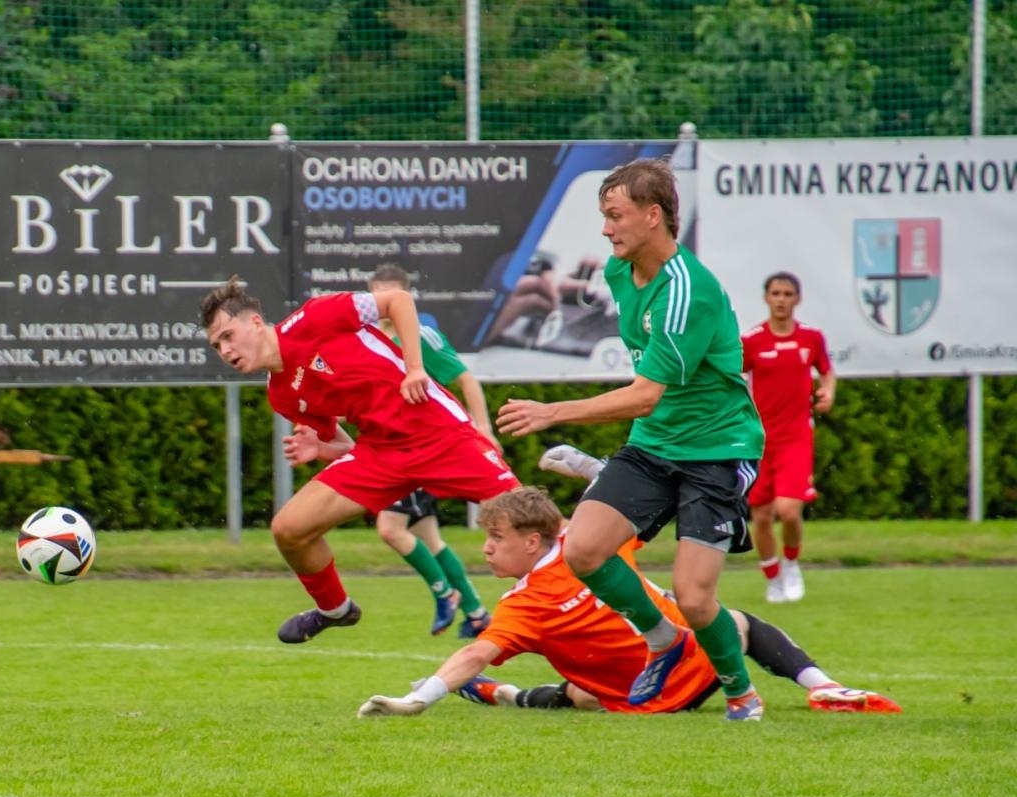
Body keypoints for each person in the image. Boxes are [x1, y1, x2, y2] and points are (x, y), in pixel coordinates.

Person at [494, 157, 768, 721]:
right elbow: (651, 400)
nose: (605, 228)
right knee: (583, 550)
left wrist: (552, 411)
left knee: (694, 596)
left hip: (717, 452)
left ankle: (741, 693)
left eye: (614, 215)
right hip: (654, 445)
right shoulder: (622, 273)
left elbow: (646, 394)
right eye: (602, 215)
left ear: (652, 216)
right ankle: (661, 640)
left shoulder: (688, 290)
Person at [356, 477, 900, 717]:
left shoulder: (578, 552)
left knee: (584, 692)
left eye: (496, 540)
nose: (489, 552)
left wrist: (417, 700)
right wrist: (421, 698)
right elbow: (474, 650)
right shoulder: (532, 594)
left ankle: (823, 686)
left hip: (658, 688)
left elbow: (634, 500)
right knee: (726, 624)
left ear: (531, 540)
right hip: (664, 683)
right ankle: (819, 682)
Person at [198, 275, 520, 644]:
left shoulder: (315, 317)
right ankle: (336, 609)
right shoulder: (281, 395)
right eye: (216, 346)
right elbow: (346, 446)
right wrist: (323, 450)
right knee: (289, 529)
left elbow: (397, 300)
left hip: (441, 433)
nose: (224, 351)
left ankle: (579, 601)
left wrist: (415, 368)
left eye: (227, 336)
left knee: (529, 525)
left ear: (255, 322)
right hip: (381, 452)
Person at [366, 263, 496, 638]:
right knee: (429, 537)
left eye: (393, 297)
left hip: (423, 448)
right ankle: (476, 613)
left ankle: (445, 594)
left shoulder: (421, 337)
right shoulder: (366, 338)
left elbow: (464, 378)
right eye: (378, 297)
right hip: (394, 449)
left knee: (390, 529)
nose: (385, 305)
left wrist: (482, 428)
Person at [741, 271, 836, 604]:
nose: (781, 299)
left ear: (798, 299)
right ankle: (772, 577)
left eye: (787, 293)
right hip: (759, 441)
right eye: (776, 293)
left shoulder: (811, 338)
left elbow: (826, 371)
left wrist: (828, 392)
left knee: (789, 510)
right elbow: (733, 380)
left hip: (796, 437)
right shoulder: (751, 341)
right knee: (762, 516)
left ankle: (792, 563)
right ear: (766, 298)